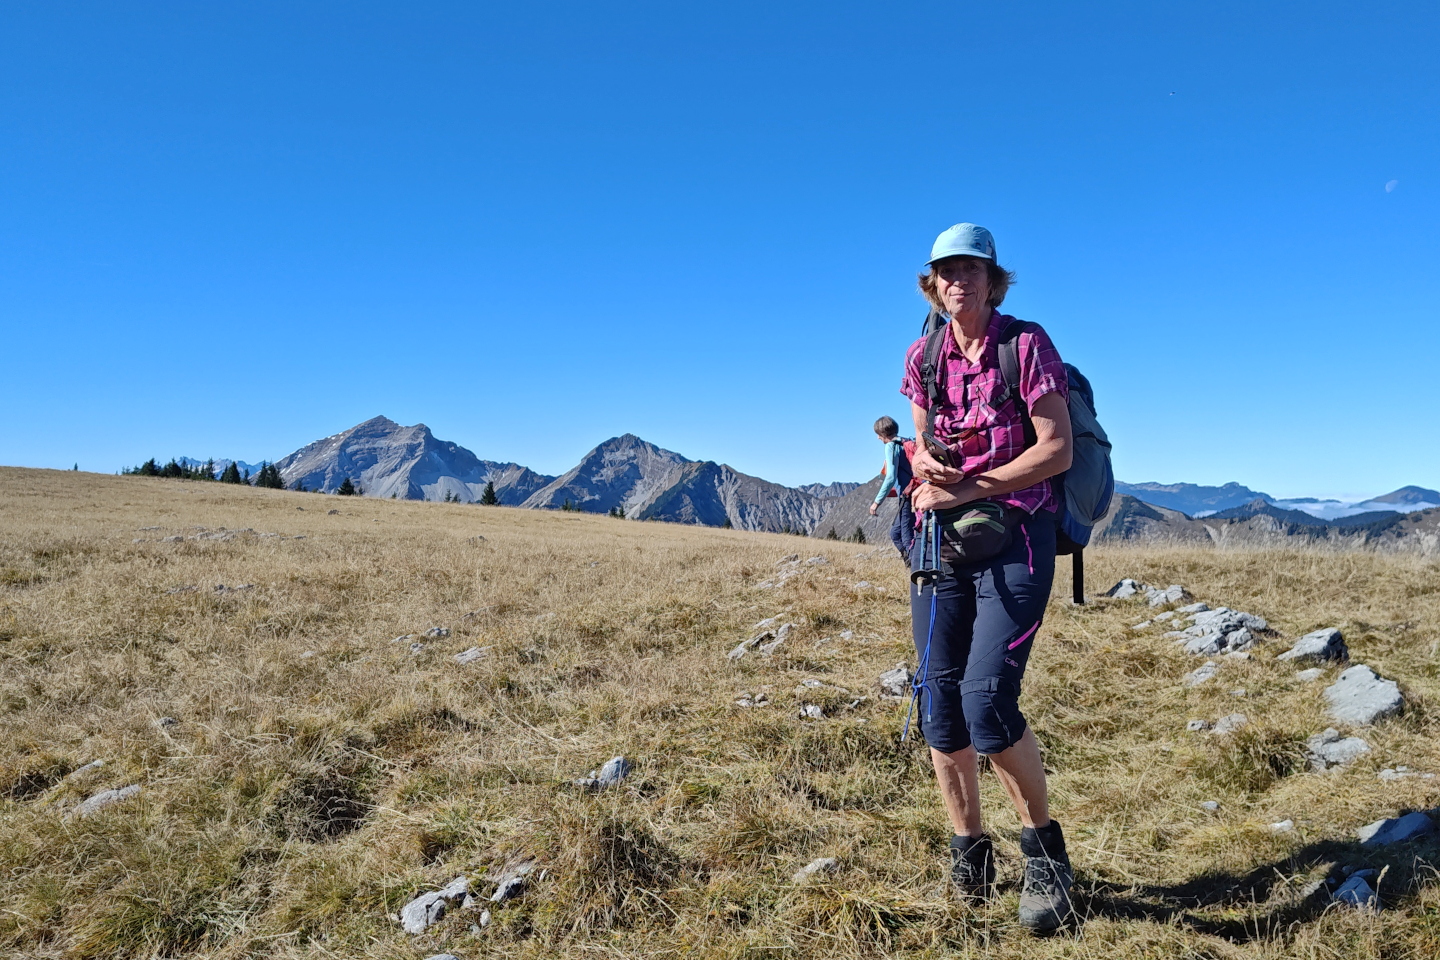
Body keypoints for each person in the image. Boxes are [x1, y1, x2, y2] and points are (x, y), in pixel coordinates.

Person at [900, 223, 1076, 932]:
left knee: (987, 702)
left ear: (994, 279)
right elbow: (919, 443)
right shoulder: (923, 356)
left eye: (971, 269)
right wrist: (924, 464)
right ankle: (969, 854)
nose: (958, 281)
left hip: (1018, 537)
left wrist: (971, 487)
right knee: (938, 705)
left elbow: (1056, 450)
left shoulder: (1024, 345)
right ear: (933, 283)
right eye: (946, 270)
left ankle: (1045, 855)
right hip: (942, 543)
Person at [869, 416, 916, 560]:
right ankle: (909, 563)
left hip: (907, 495)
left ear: (883, 434)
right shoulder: (904, 442)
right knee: (895, 534)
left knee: (906, 536)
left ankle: (915, 567)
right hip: (914, 492)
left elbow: (890, 477)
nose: (878, 438)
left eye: (878, 434)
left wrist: (877, 502)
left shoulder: (891, 446)